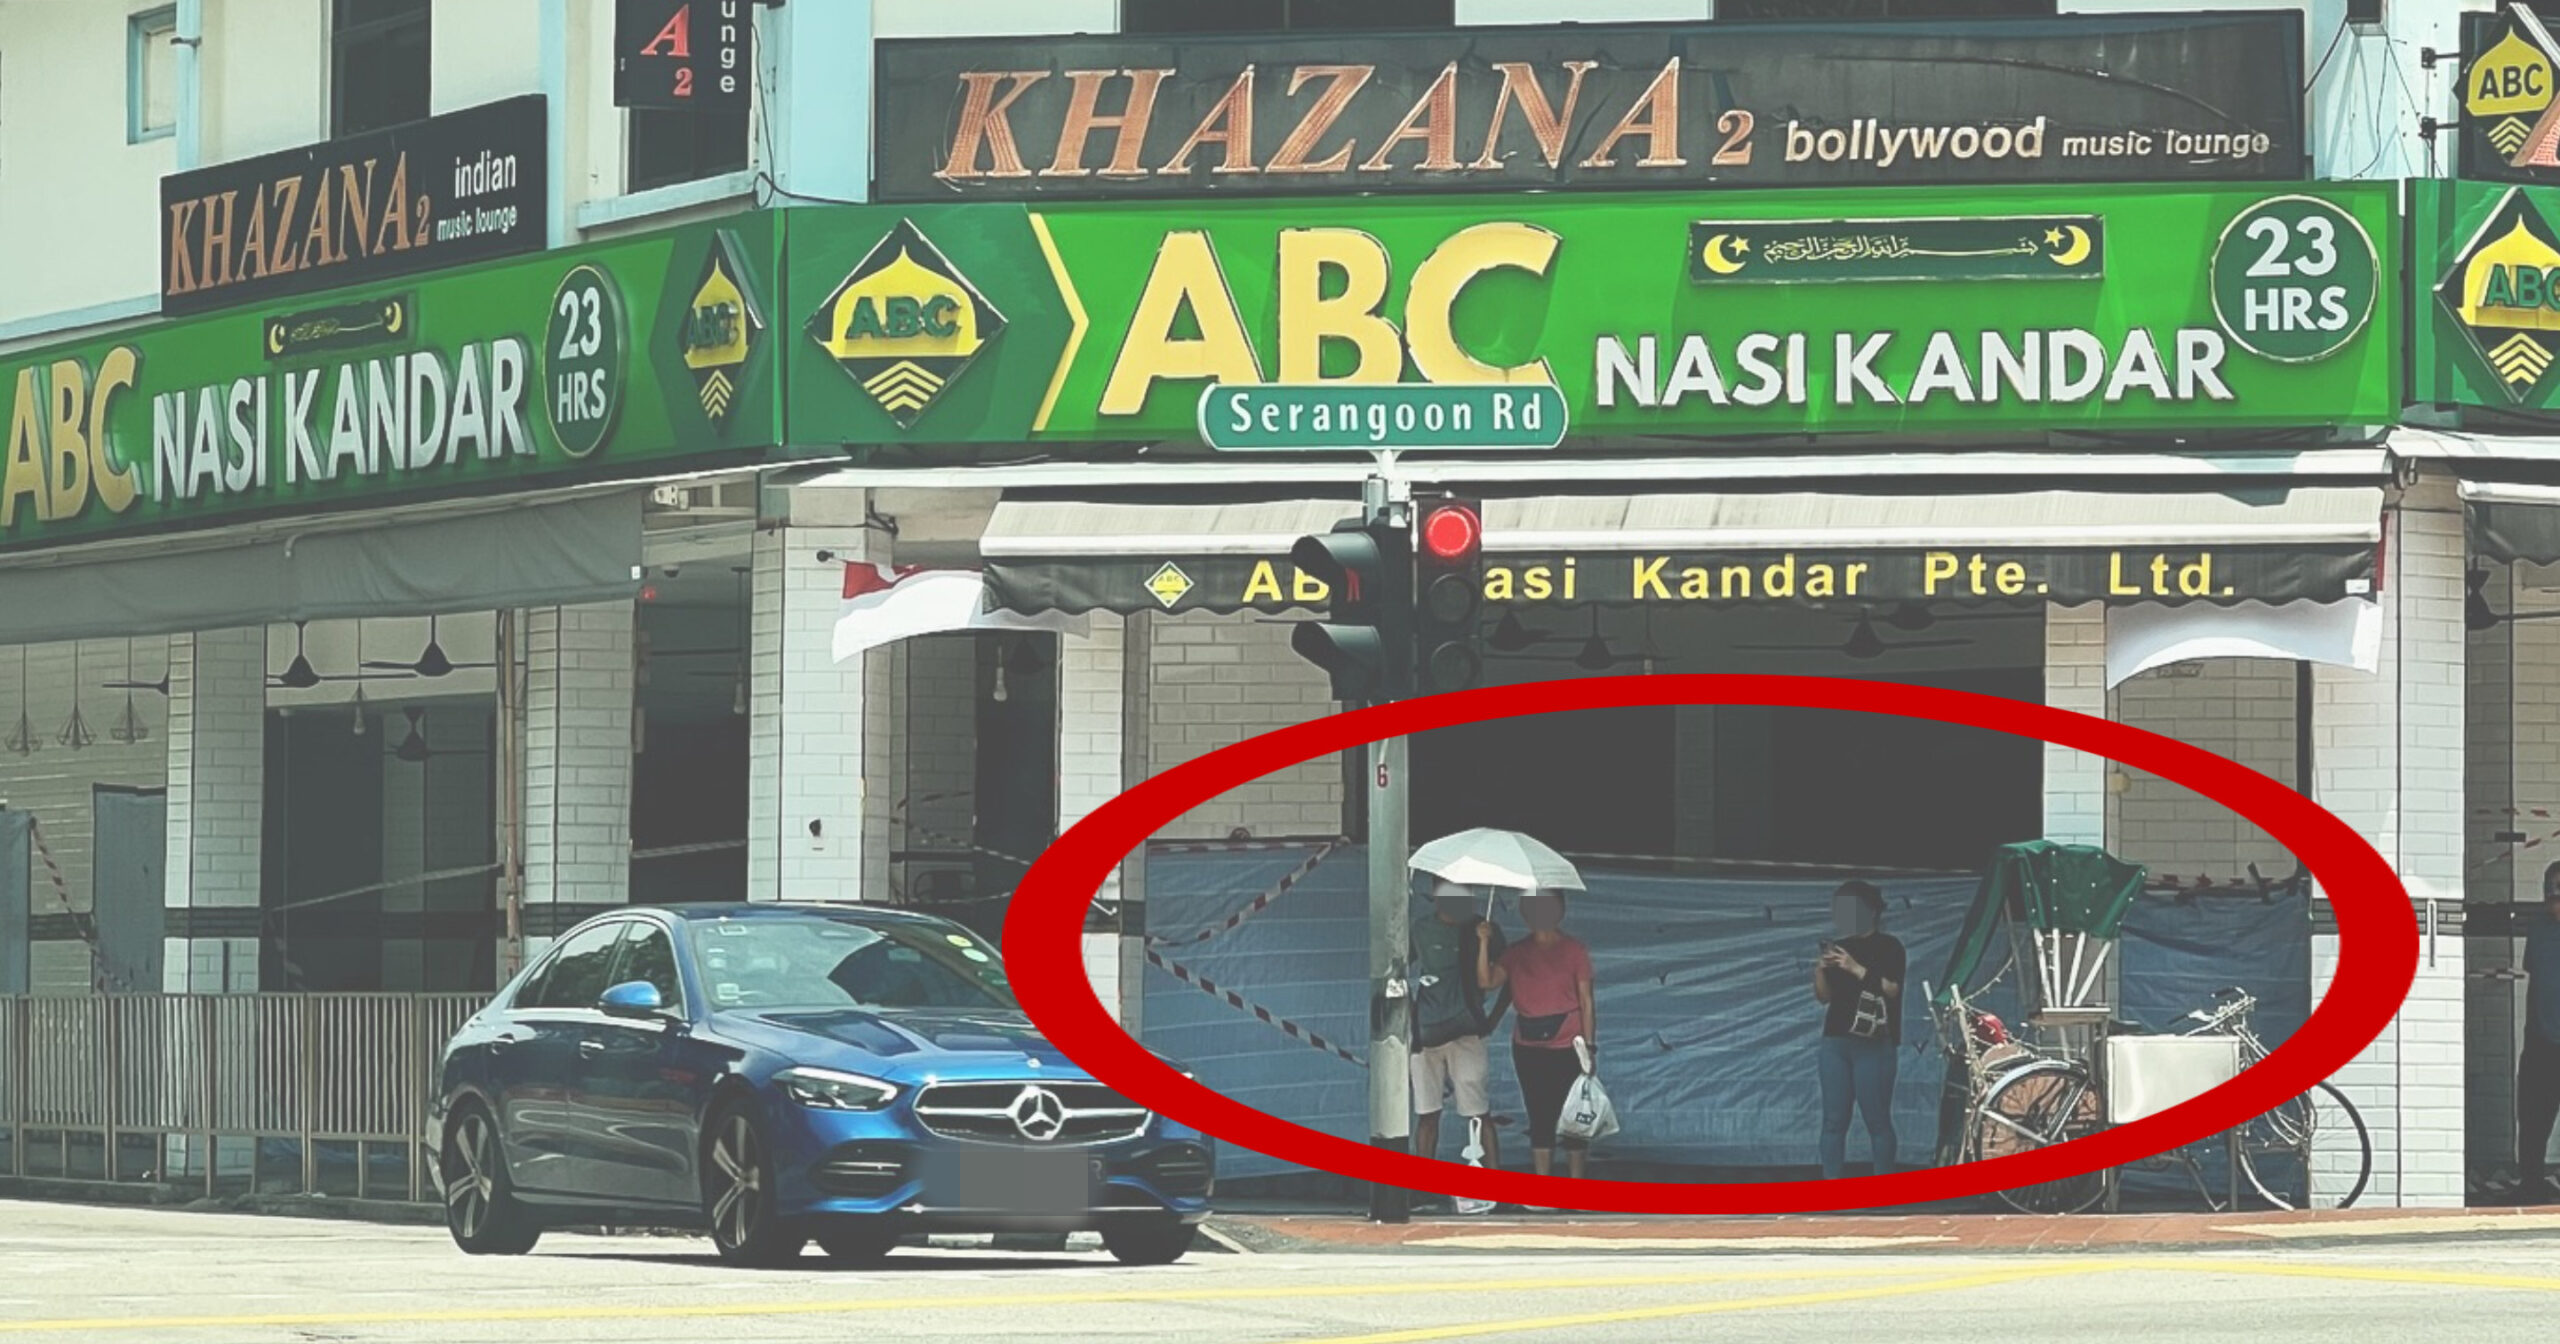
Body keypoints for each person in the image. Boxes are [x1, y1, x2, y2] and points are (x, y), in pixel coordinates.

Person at [1478, 889, 1597, 1181]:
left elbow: (1587, 1002)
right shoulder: (1516, 953)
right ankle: (1544, 1189)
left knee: (1574, 1117)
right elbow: (1487, 981)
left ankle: (1576, 1187)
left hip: (1570, 1045)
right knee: (1540, 1114)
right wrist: (1483, 943)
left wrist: (1590, 1047)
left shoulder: (1574, 950)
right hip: (1528, 1046)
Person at [1410, 882, 1505, 1192]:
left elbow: (1506, 977)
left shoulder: (1484, 928)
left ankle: (1495, 1185)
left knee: (1477, 1110)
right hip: (1425, 1031)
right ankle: (1421, 1188)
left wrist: (1492, 1018)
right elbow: (1397, 967)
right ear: (1435, 897)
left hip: (1467, 1031)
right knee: (1427, 1112)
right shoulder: (1420, 929)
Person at [1813, 880, 1906, 1180]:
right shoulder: (1843, 946)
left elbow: (1892, 990)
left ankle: (1882, 1186)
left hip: (1874, 1041)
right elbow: (1824, 997)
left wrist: (1855, 968)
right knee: (1833, 1119)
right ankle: (1832, 1186)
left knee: (1877, 1119)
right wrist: (1821, 969)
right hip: (1836, 1039)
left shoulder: (1890, 946)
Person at [2520, 862, 2560, 1201]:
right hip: (2542, 1040)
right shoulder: (2540, 931)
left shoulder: (2540, 931)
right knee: (2534, 1119)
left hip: (2543, 1035)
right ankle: (2531, 1184)